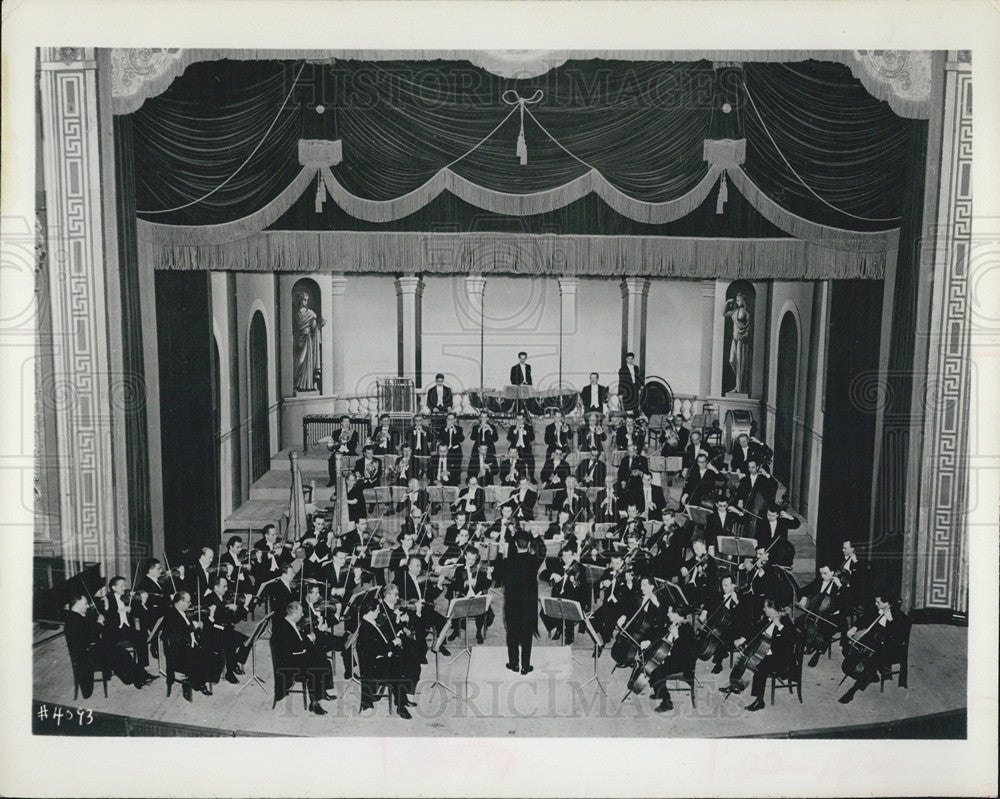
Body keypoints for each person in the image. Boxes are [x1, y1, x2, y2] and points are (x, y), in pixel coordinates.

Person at [65, 590, 156, 694]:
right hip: (87, 656)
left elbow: (91, 630)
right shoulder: (74, 620)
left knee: (122, 653)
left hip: (91, 650)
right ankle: (138, 679)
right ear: (77, 604)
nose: (87, 606)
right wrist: (99, 623)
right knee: (121, 655)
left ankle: (138, 678)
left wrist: (103, 613)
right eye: (85, 603)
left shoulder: (77, 616)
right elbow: (90, 637)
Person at [722, 598, 797, 712]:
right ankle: (736, 683)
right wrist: (743, 639)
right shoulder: (767, 619)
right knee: (746, 658)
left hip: (780, 658)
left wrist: (780, 626)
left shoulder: (785, 620)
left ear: (772, 609)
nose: (763, 609)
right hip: (766, 651)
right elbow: (754, 630)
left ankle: (759, 700)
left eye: (766, 607)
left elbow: (792, 638)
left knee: (759, 666)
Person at [838, 594, 910, 704]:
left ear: (887, 603)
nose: (876, 604)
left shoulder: (899, 617)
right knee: (848, 648)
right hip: (873, 641)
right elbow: (864, 619)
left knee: (870, 665)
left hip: (889, 648)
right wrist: (854, 628)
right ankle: (870, 675)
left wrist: (890, 620)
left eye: (878, 602)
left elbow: (898, 638)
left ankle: (853, 690)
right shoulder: (876, 610)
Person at [271, 600, 336, 715]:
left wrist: (306, 638)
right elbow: (292, 648)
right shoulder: (283, 628)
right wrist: (308, 639)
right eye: (300, 613)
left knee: (323, 659)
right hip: (289, 662)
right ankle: (314, 703)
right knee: (315, 667)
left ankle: (321, 692)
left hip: (296, 655)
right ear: (294, 614)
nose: (302, 615)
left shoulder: (290, 622)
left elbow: (296, 640)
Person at [162, 591, 225, 700]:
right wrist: (192, 627)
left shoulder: (183, 612)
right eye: (188, 602)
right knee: (209, 657)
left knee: (217, 653)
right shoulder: (171, 615)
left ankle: (201, 680)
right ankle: (198, 683)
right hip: (180, 652)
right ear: (180, 602)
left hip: (191, 646)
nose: (190, 604)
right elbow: (177, 636)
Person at [503, 532, 543, 674]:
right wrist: (537, 537)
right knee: (527, 635)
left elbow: (498, 577)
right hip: (529, 606)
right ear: (529, 545)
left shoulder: (508, 562)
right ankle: (525, 666)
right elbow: (543, 550)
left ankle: (514, 664)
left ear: (515, 545)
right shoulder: (534, 561)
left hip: (512, 606)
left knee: (512, 634)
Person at [700, 575, 755, 674]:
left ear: (733, 585)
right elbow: (708, 603)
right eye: (722, 585)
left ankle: (719, 663)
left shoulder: (742, 598)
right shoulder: (718, 595)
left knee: (722, 637)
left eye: (726, 585)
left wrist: (737, 602)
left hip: (734, 627)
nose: (723, 588)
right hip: (718, 624)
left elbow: (745, 617)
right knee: (703, 635)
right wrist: (704, 612)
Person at [647, 604, 697, 713]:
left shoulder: (687, 630)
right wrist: (649, 642)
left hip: (682, 664)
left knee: (656, 668)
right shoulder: (673, 624)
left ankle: (667, 701)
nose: (667, 614)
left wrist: (677, 637)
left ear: (678, 615)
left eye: (670, 612)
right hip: (671, 657)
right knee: (650, 659)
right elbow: (660, 637)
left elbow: (686, 654)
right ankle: (659, 691)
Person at [202, 577, 250, 683]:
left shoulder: (226, 597)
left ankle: (234, 663)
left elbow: (235, 620)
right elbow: (213, 619)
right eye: (224, 586)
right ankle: (229, 672)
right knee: (230, 644)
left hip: (226, 629)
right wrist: (225, 608)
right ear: (216, 587)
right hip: (214, 631)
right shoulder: (208, 599)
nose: (227, 589)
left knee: (248, 641)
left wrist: (245, 606)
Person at [446, 547, 495, 644]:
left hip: (477, 597)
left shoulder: (480, 570)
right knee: (455, 609)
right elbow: (456, 587)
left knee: (481, 611)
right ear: (464, 556)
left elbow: (486, 585)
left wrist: (489, 575)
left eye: (473, 559)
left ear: (477, 558)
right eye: (468, 558)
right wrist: (462, 582)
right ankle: (456, 630)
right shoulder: (460, 569)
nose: (470, 561)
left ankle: (478, 632)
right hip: (464, 596)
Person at [796, 564, 842, 667]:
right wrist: (803, 597)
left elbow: (846, 601)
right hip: (815, 613)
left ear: (832, 573)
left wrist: (840, 587)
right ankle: (803, 646)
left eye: (825, 573)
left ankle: (819, 651)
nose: (822, 576)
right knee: (798, 622)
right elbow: (803, 590)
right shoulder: (818, 581)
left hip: (833, 615)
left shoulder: (838, 584)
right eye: (821, 573)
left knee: (826, 628)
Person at [541, 548, 587, 644]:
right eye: (564, 556)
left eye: (569, 556)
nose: (566, 559)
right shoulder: (558, 565)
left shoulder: (580, 568)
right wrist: (552, 575)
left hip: (573, 597)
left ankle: (569, 633)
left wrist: (574, 582)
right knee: (543, 612)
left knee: (566, 610)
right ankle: (559, 628)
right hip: (558, 595)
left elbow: (583, 587)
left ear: (573, 555)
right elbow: (542, 574)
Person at [723, 292, 752, 394]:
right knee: (733, 361)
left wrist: (746, 335)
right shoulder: (736, 311)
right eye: (737, 300)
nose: (737, 301)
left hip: (741, 342)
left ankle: (740, 388)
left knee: (741, 365)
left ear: (744, 300)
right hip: (734, 341)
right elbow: (724, 313)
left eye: (739, 300)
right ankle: (738, 385)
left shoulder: (747, 313)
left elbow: (749, 328)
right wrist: (727, 302)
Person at [325, 414, 358, 487]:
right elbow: (334, 444)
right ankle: (332, 480)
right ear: (341, 423)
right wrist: (340, 444)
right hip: (338, 451)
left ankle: (353, 480)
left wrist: (346, 448)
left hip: (349, 451)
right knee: (331, 460)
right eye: (345, 422)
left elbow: (354, 445)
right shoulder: (336, 432)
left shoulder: (354, 432)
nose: (347, 423)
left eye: (348, 422)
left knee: (356, 461)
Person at [506, 411, 536, 481]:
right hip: (515, 449)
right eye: (518, 419)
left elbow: (532, 438)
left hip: (525, 449)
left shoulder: (529, 427)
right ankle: (513, 476)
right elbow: (509, 438)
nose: (519, 421)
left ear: (524, 419)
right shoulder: (512, 428)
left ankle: (532, 477)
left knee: (531, 461)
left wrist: (525, 432)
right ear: (516, 420)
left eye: (521, 419)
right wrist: (515, 430)